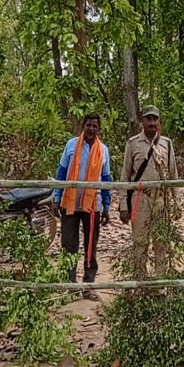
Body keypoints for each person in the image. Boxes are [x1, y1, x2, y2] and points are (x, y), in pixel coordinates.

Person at [53, 113, 111, 301]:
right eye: (88, 125)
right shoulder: (71, 146)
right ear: (83, 126)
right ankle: (70, 286)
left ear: (98, 129)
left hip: (93, 206)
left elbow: (106, 179)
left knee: (90, 247)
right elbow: (61, 173)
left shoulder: (103, 150)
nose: (91, 129)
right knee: (69, 246)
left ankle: (89, 285)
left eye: (95, 126)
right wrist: (56, 197)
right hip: (70, 205)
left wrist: (107, 206)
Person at [119, 105, 179, 277]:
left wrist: (177, 204)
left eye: (155, 119)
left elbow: (174, 176)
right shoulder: (133, 144)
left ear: (159, 121)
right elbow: (125, 176)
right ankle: (140, 282)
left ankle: (160, 283)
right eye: (148, 119)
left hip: (161, 200)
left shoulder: (167, 144)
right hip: (140, 199)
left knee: (161, 243)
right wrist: (123, 205)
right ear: (142, 121)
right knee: (139, 242)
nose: (152, 122)